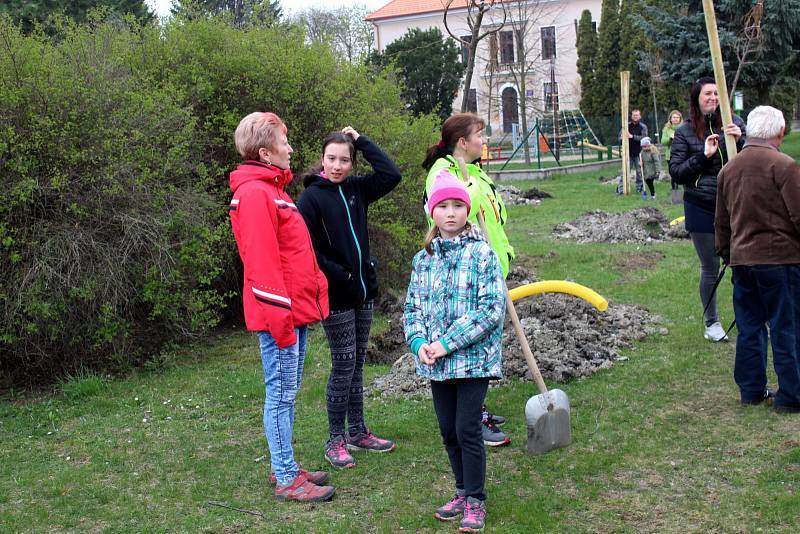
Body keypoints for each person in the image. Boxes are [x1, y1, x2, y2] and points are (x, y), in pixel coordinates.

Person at [228, 112, 335, 502]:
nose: (290, 148)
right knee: (280, 394)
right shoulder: (256, 194)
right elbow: (262, 264)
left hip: (295, 312)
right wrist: (281, 321)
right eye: (283, 142)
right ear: (264, 152)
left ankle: (285, 465)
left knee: (287, 392)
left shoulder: (273, 189)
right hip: (280, 316)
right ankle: (287, 477)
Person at [403, 170, 506, 532]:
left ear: (467, 210)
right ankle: (461, 490)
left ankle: (476, 500)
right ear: (432, 212)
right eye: (443, 206)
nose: (450, 213)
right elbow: (412, 309)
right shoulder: (423, 259)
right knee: (448, 430)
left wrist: (445, 343)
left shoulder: (482, 255)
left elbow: (491, 310)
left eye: (457, 206)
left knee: (467, 429)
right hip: (436, 362)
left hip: (473, 360)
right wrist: (419, 344)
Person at [297, 127, 400, 469]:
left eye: (344, 160)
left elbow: (391, 174)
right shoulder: (311, 198)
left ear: (352, 162)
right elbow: (309, 250)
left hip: (364, 292)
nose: (337, 166)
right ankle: (334, 439)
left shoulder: (357, 190)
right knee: (343, 365)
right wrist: (339, 274)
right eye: (331, 159)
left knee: (357, 363)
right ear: (322, 160)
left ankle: (357, 431)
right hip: (337, 295)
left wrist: (362, 141)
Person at [422, 112, 513, 447]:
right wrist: (469, 188)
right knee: (469, 344)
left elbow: (494, 215)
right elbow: (453, 211)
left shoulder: (473, 171)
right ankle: (473, 421)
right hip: (462, 276)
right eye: (480, 135)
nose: (485, 141)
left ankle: (479, 411)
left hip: (488, 268)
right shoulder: (444, 174)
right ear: (463, 142)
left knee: (483, 344)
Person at [715, 105, 800, 413]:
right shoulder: (785, 165)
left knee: (749, 327)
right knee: (786, 325)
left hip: (742, 260)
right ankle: (792, 394)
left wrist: (728, 254)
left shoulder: (729, 169)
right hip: (780, 260)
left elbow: (721, 222)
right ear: (780, 132)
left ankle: (751, 391)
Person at [669, 76, 745, 342]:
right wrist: (704, 156)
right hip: (701, 206)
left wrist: (743, 140)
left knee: (742, 262)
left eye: (716, 93)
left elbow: (753, 162)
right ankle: (712, 323)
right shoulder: (685, 132)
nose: (713, 98)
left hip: (735, 205)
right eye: (707, 94)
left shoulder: (735, 125)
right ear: (696, 100)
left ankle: (748, 315)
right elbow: (676, 172)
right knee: (711, 267)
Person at [619, 109, 648, 194]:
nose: (635, 117)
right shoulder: (626, 126)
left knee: (639, 172)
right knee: (625, 171)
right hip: (628, 153)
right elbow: (619, 138)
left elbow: (644, 138)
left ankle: (639, 188)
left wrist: (632, 136)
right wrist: (622, 137)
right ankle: (621, 188)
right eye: (634, 115)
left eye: (637, 115)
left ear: (640, 116)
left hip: (639, 152)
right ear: (631, 116)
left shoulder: (643, 127)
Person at [661, 110, 684, 202]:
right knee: (674, 176)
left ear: (680, 119)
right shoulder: (666, 129)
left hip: (683, 155)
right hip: (670, 155)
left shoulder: (684, 128)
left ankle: (687, 196)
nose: (675, 119)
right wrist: (670, 138)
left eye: (677, 117)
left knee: (684, 174)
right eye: (674, 117)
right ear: (670, 119)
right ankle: (676, 198)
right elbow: (663, 141)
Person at [639, 137, 661, 201]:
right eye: (643, 147)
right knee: (648, 182)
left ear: (648, 145)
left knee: (650, 182)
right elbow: (641, 160)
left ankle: (653, 195)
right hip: (646, 170)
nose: (644, 148)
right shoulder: (642, 153)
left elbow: (656, 162)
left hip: (652, 170)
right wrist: (640, 163)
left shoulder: (653, 152)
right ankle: (652, 193)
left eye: (645, 147)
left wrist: (657, 171)